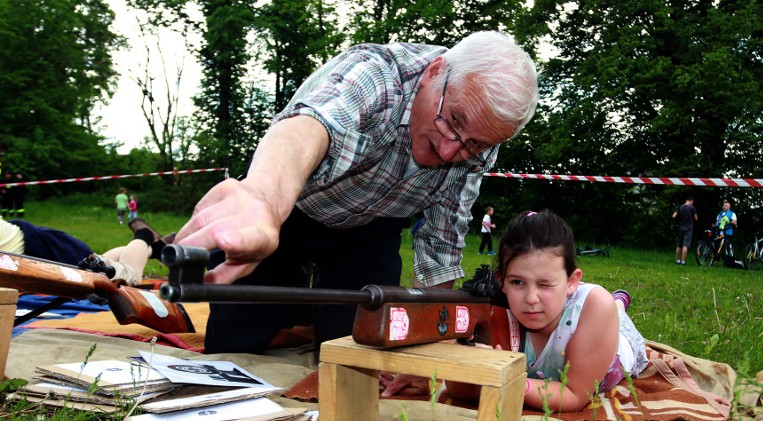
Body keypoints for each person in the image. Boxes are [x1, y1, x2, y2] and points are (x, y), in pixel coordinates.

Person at [174, 31, 539, 354]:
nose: (449, 152)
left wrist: (432, 340)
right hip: (288, 212)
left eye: (474, 144)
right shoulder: (377, 75)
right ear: (433, 73)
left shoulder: (480, 140)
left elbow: (441, 241)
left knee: (358, 351)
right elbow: (306, 128)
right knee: (235, 341)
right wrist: (264, 200)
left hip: (370, 232)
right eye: (452, 120)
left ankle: (311, 325)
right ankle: (290, 316)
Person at [381, 211, 648, 411]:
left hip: (610, 338)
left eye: (545, 284)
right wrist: (470, 363)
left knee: (612, 308)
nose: (531, 299)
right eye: (517, 282)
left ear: (572, 281)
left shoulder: (592, 306)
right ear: (502, 280)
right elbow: (462, 393)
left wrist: (506, 376)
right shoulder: (494, 313)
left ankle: (619, 301)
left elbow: (574, 396)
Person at [0, 216, 173, 286]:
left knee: (126, 280)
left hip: (43, 251)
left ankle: (144, 236)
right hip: (34, 249)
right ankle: (155, 248)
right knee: (101, 264)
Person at [672, 195, 697, 265]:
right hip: (688, 228)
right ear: (691, 201)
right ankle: (683, 261)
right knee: (685, 245)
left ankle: (677, 261)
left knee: (679, 245)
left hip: (680, 227)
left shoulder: (680, 207)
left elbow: (674, 215)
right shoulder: (692, 207)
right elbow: (696, 218)